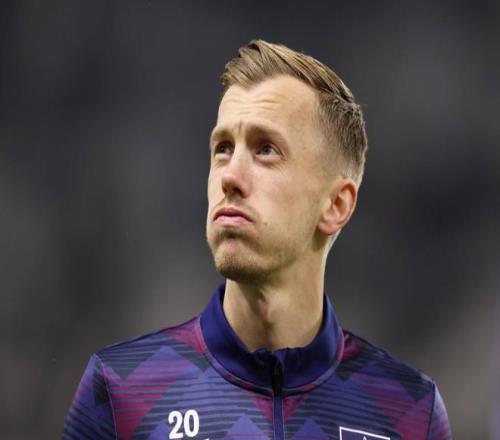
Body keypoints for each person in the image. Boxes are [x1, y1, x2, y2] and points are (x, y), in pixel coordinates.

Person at [63, 40, 452, 439]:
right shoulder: (122, 391)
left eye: (266, 149)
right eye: (223, 148)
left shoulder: (408, 411)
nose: (230, 176)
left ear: (336, 205)